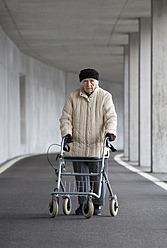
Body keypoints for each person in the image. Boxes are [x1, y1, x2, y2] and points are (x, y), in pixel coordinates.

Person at [59, 68, 117, 216]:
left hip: (97, 145)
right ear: (81, 82)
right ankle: (84, 203)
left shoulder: (105, 96)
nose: (89, 84)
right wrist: (67, 133)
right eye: (85, 81)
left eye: (91, 81)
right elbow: (66, 118)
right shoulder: (72, 96)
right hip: (78, 145)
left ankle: (97, 204)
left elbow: (111, 116)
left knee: (98, 175)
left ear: (97, 82)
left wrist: (110, 132)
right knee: (81, 177)